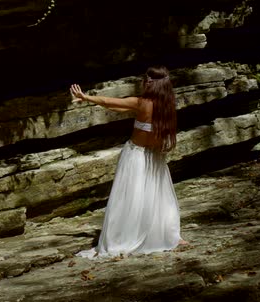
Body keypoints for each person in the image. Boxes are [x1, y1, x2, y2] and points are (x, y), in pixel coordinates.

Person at [70, 65, 186, 259]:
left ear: (149, 83)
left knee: (130, 197)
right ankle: (168, 235)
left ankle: (127, 234)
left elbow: (110, 100)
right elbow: (115, 105)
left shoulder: (142, 103)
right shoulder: (167, 106)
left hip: (136, 155)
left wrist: (86, 97)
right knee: (157, 197)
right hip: (155, 157)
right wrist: (98, 103)